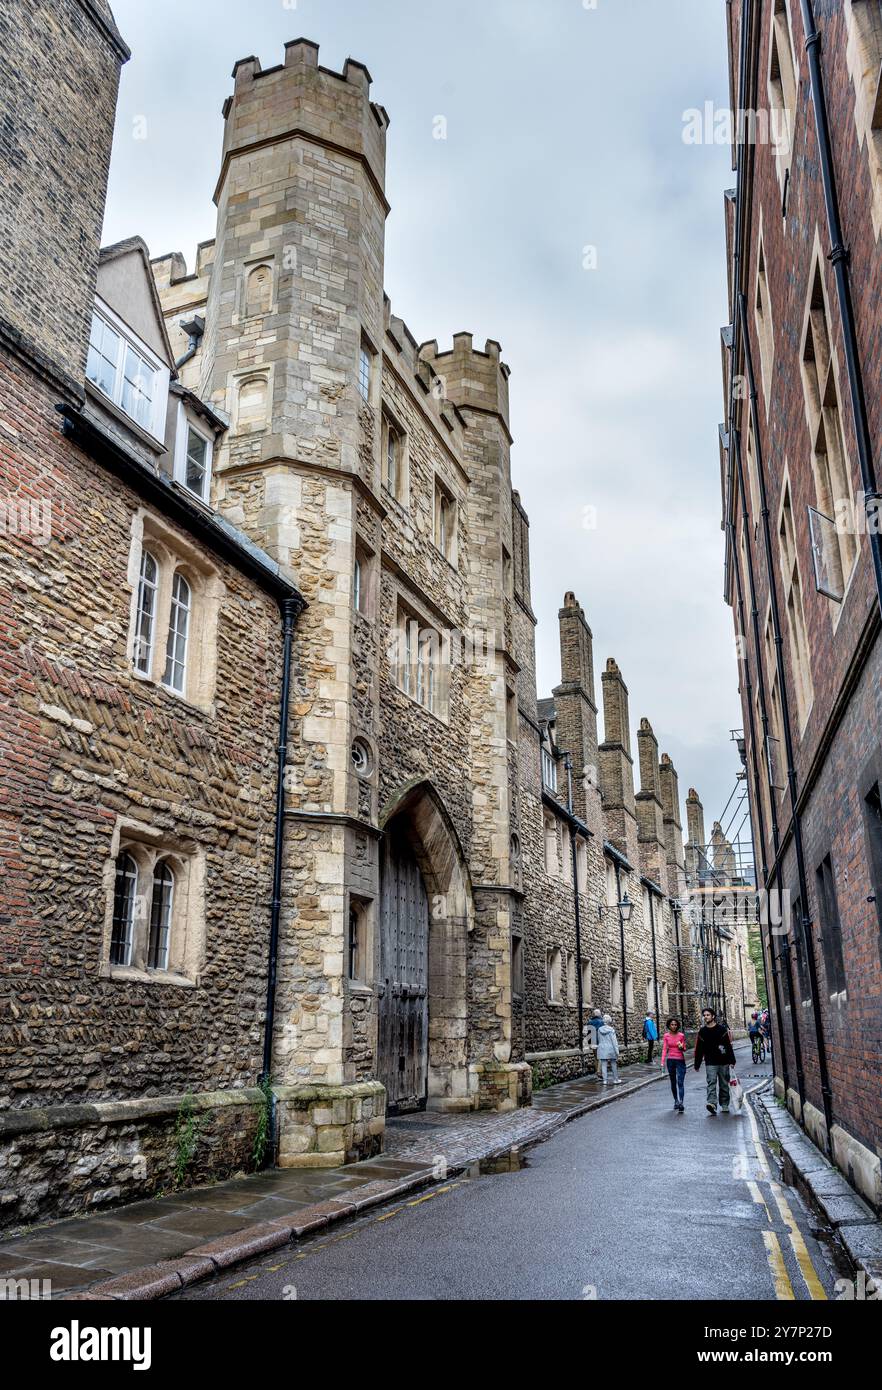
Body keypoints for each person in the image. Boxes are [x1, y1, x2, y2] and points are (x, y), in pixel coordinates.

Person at [694, 1006, 736, 1114]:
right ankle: (712, 1103)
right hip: (710, 1062)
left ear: (713, 1016)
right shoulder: (702, 1031)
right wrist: (697, 1063)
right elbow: (699, 1048)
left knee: (723, 1084)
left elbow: (728, 1045)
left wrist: (732, 1060)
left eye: (708, 1015)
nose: (706, 1017)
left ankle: (725, 1104)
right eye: (704, 1015)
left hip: (723, 1061)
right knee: (711, 1083)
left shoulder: (721, 1029)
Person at [661, 1016, 687, 1112]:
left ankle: (681, 1102)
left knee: (680, 1081)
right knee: (673, 1082)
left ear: (677, 1026)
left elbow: (684, 1049)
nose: (674, 1026)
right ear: (669, 1025)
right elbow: (664, 1049)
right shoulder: (666, 1036)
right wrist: (662, 1062)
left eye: (675, 1024)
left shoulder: (681, 1035)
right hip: (670, 1060)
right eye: (672, 1024)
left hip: (680, 1060)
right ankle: (676, 1101)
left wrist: (681, 1047)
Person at [596, 1014, 622, 1085]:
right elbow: (614, 1041)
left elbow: (599, 1039)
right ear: (609, 1021)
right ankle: (615, 1079)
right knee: (613, 1064)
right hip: (611, 1048)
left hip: (602, 1048)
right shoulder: (611, 1030)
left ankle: (605, 1080)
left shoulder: (599, 1029)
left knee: (603, 1065)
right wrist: (617, 1051)